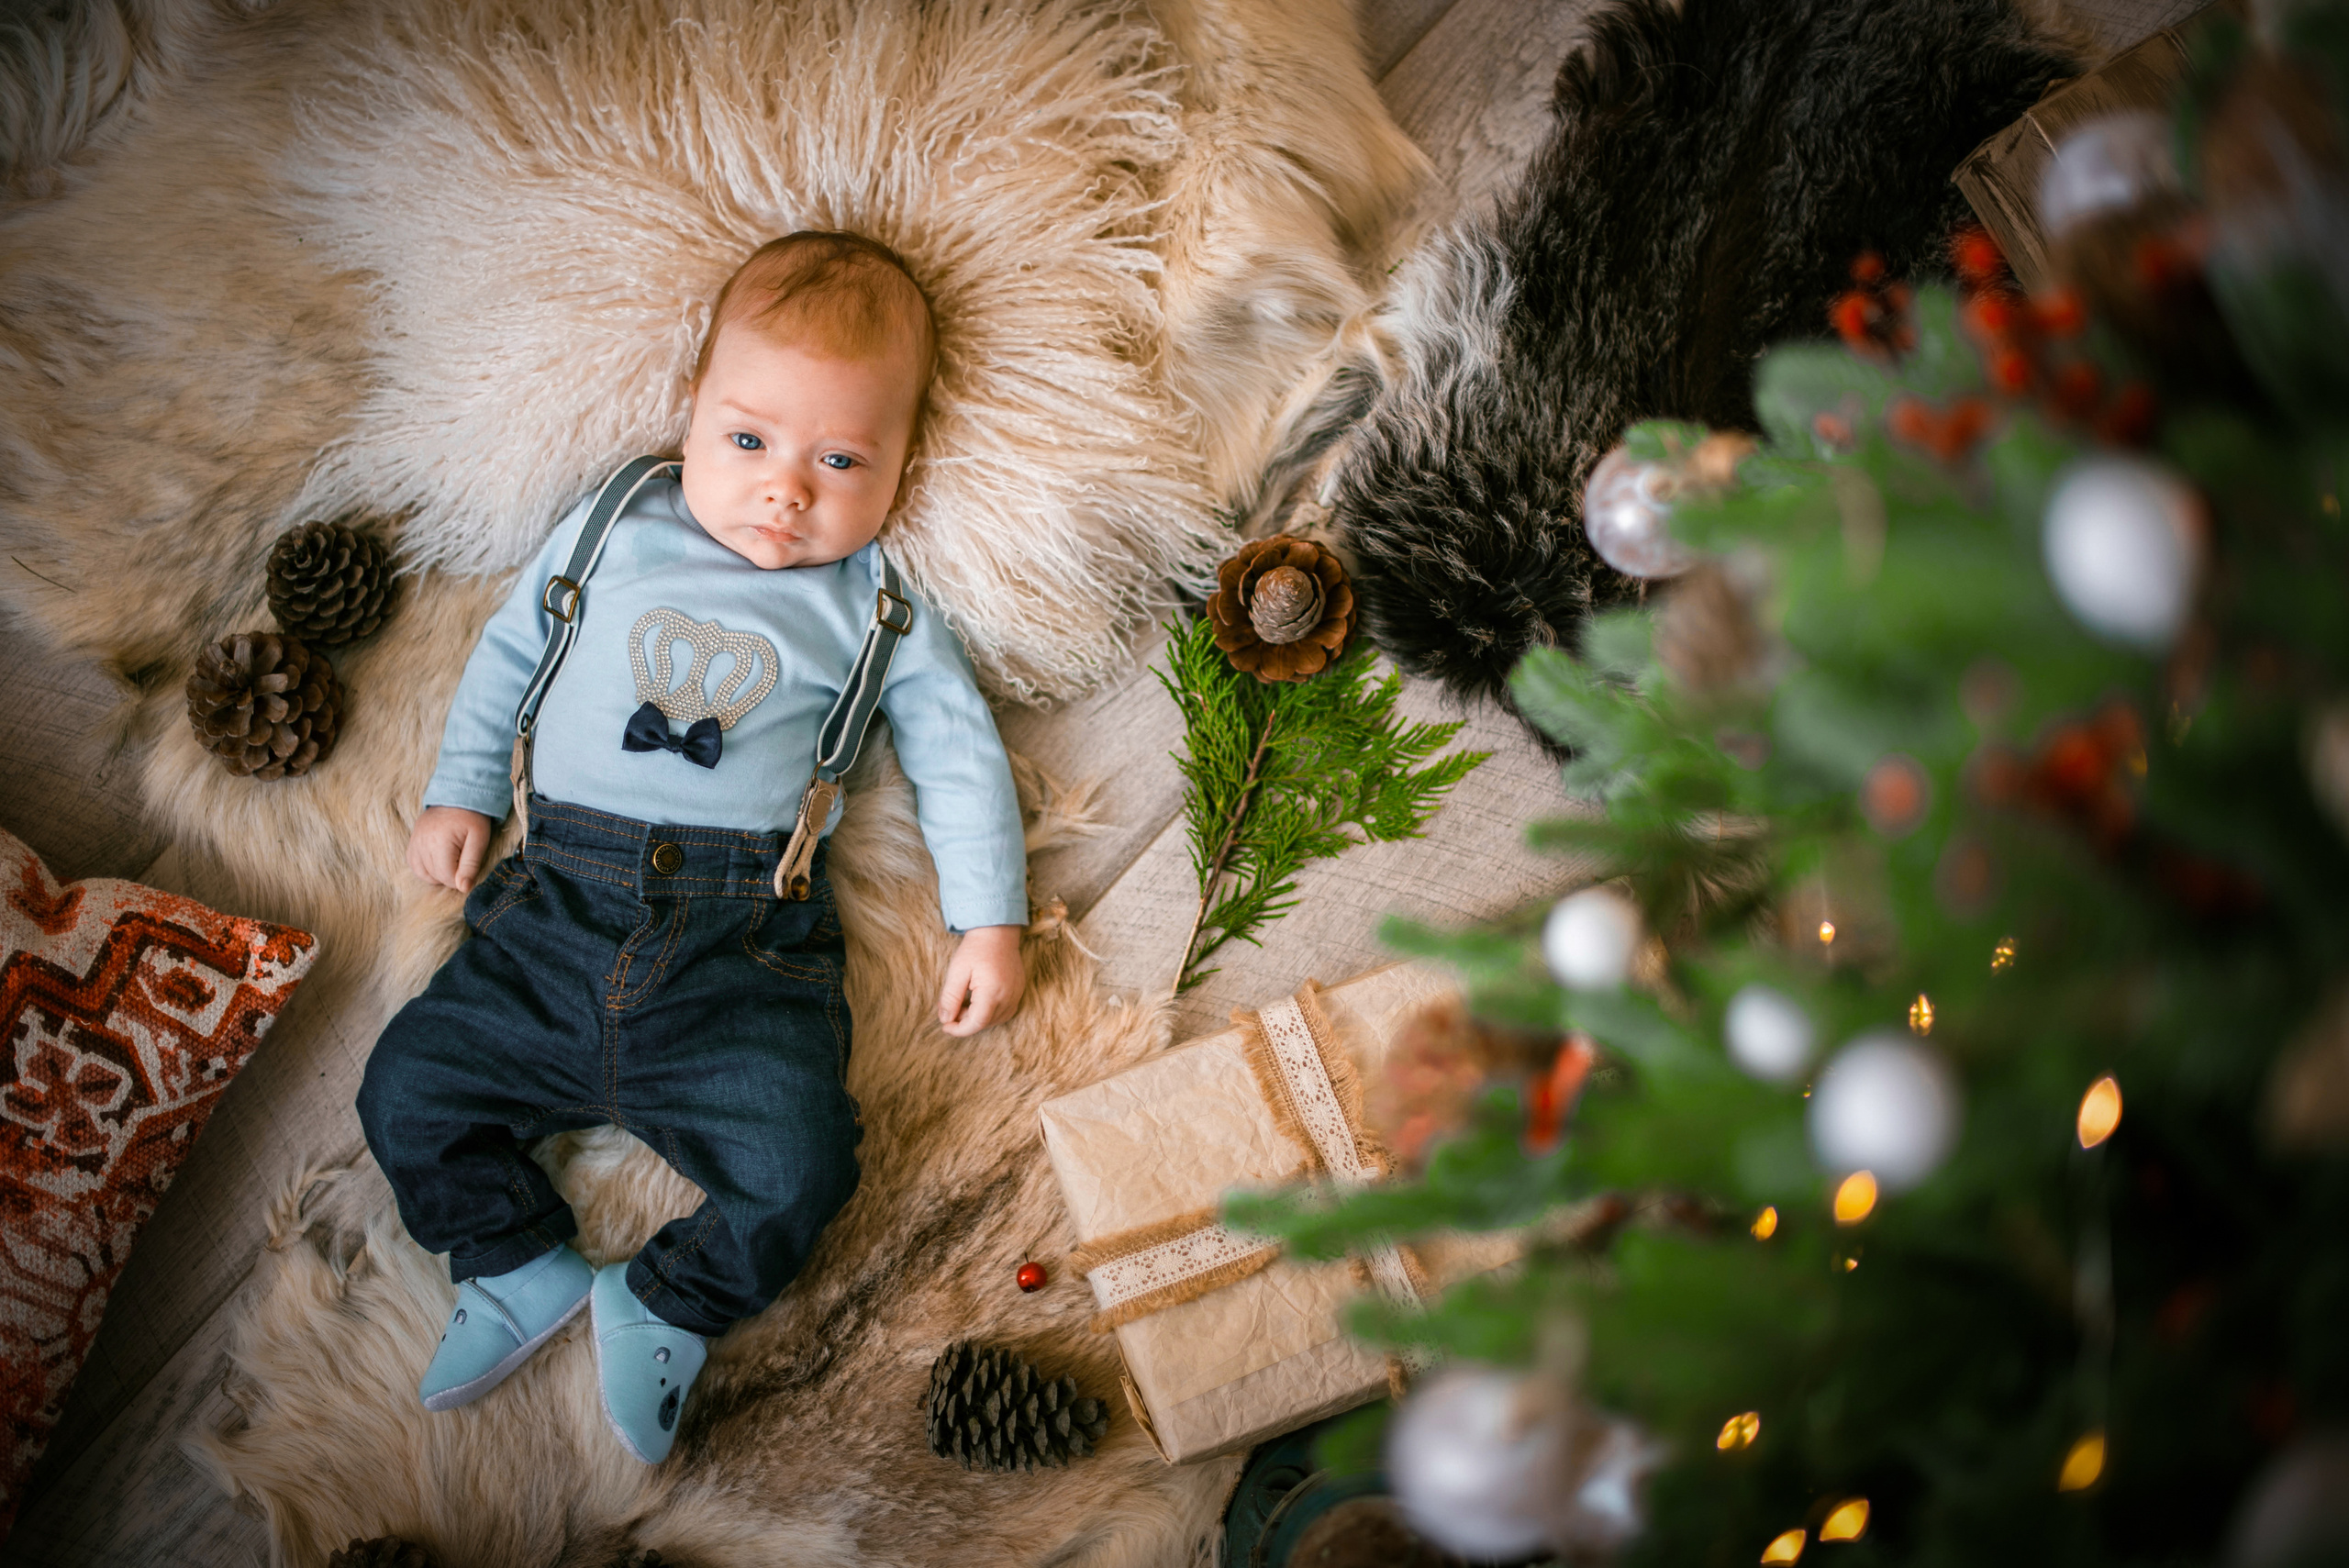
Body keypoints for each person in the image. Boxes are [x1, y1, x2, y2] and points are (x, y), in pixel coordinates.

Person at [355, 231, 1027, 1464]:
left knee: (806, 1165)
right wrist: (462, 791)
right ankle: (512, 1259)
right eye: (751, 440)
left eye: (841, 458)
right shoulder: (615, 522)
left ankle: (667, 1298)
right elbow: (513, 647)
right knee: (404, 1089)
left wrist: (990, 917)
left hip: (741, 953)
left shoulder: (875, 603)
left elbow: (959, 752)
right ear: (692, 414)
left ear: (903, 465)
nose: (787, 489)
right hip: (555, 911)